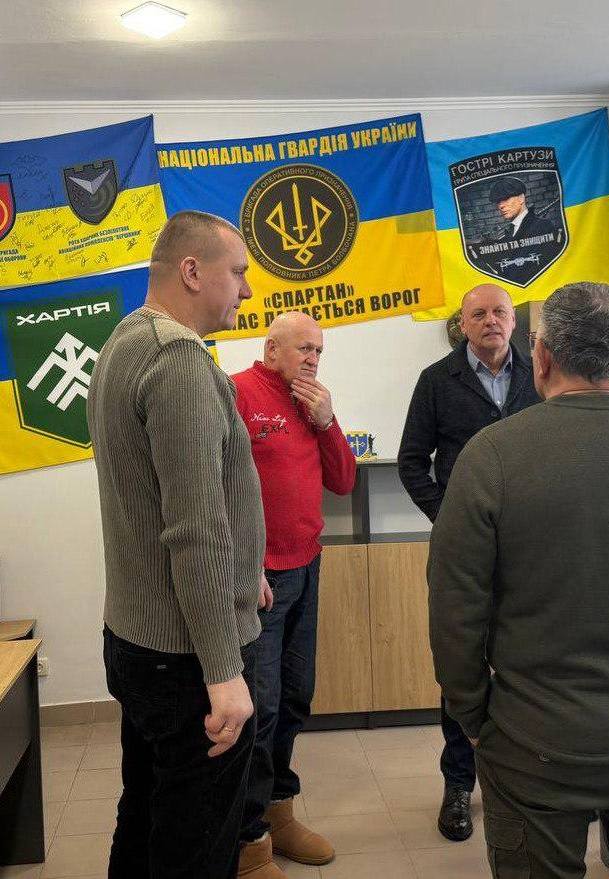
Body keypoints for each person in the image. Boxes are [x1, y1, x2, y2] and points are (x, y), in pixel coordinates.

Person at [428, 281, 609, 877]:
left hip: (534, 742)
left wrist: (473, 715)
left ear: (542, 356)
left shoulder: (491, 457)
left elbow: (455, 607)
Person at [87, 210, 265, 879]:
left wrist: (246, 569)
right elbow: (193, 529)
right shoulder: (178, 358)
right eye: (237, 271)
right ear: (192, 271)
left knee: (145, 818)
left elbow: (162, 498)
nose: (246, 289)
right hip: (186, 657)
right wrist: (224, 671)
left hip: (138, 639)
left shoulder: (125, 340)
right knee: (196, 847)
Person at [398, 283, 539, 841]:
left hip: (531, 546)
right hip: (465, 551)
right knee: (463, 660)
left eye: (499, 312)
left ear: (514, 321)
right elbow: (412, 462)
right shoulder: (437, 380)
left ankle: (531, 777)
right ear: (463, 324)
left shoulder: (539, 376)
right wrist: (449, 518)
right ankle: (459, 784)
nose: (490, 321)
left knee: (532, 654)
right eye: (478, 314)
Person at [232, 311, 356, 879]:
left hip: (307, 567)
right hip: (260, 579)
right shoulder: (237, 392)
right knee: (259, 709)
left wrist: (327, 421)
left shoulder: (313, 402)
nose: (312, 359)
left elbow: (344, 481)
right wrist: (243, 564)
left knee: (295, 698)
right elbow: (214, 487)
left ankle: (278, 812)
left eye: (319, 351)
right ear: (271, 349)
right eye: (304, 348)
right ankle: (247, 840)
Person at [488, 176, 555, 242]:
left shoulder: (543, 226)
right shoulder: (510, 231)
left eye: (506, 199)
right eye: (498, 202)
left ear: (521, 198)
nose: (501, 206)